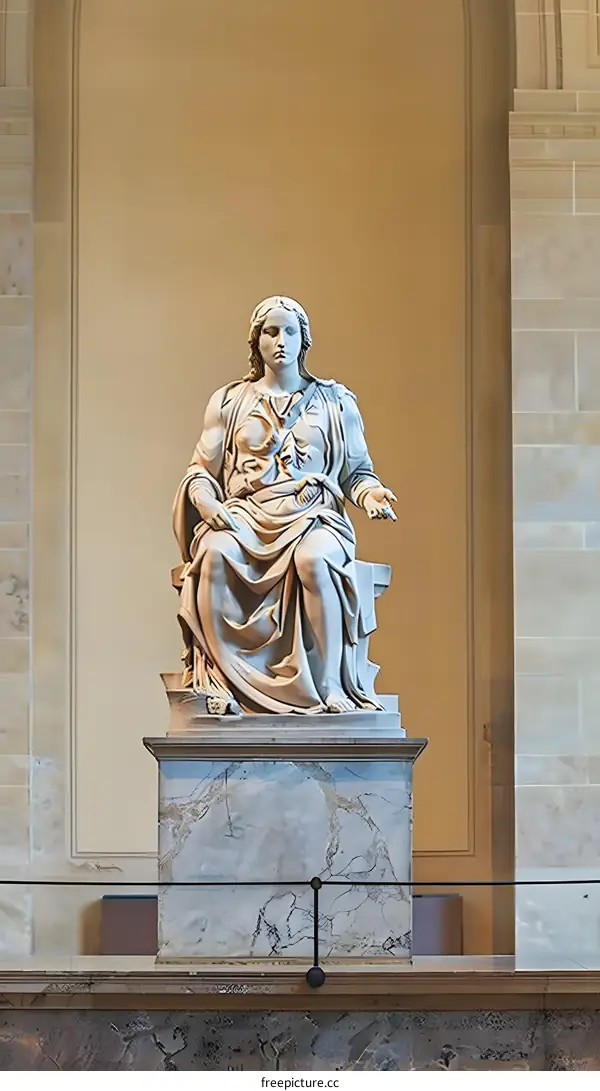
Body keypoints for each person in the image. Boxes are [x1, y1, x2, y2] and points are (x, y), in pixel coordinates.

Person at [172, 295, 396, 714]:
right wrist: (203, 500)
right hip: (248, 514)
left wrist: (369, 495)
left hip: (314, 516)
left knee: (315, 561)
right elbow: (202, 467)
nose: (281, 341)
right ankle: (225, 682)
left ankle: (330, 686)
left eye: (289, 331)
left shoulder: (335, 402)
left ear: (303, 340)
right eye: (270, 332)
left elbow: (356, 472)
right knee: (213, 554)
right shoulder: (229, 402)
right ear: (256, 342)